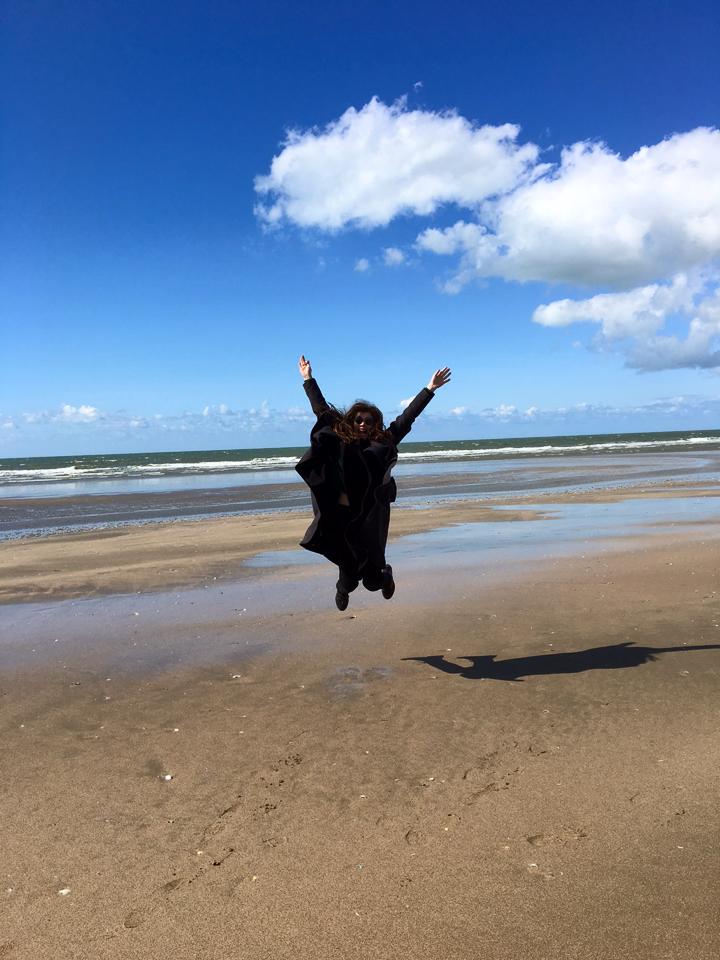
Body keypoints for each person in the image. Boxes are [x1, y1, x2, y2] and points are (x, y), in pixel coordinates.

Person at [295, 355, 451, 610]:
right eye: (359, 420)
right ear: (352, 421)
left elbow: (407, 418)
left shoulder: (384, 441)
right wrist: (308, 378)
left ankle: (385, 575)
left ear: (375, 423)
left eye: (368, 421)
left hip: (372, 513)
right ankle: (342, 588)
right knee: (348, 575)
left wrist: (430, 388)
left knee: (371, 580)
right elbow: (321, 410)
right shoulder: (342, 437)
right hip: (344, 512)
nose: (363, 424)